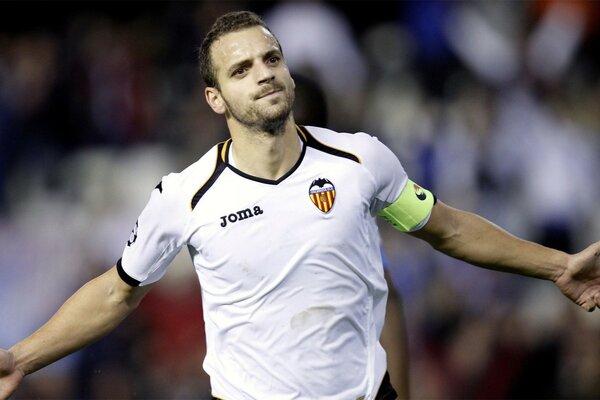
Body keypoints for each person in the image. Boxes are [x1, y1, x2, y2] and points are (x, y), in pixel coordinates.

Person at [1, 10, 600, 400]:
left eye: (271, 58)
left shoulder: (360, 161)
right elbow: (116, 291)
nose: (264, 73)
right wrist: (22, 358)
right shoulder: (184, 197)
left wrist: (556, 265)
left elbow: (445, 229)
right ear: (215, 98)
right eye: (242, 69)